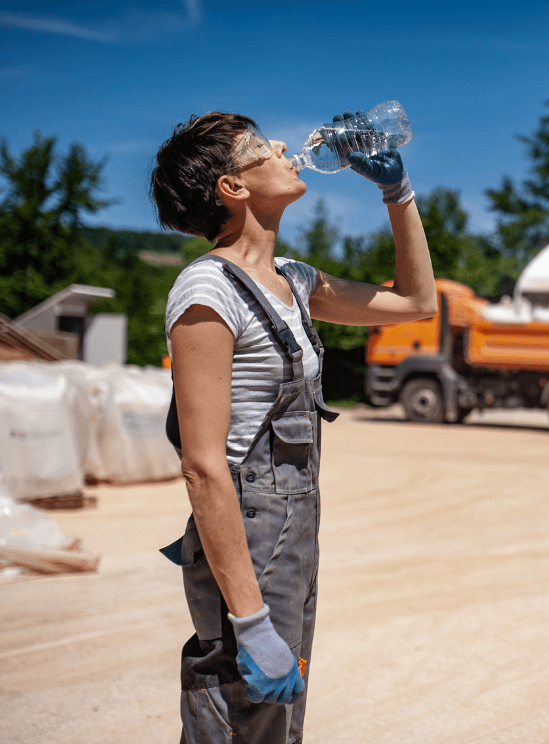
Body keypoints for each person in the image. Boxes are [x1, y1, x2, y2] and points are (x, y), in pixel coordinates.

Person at [150, 110, 436, 744]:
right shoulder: (207, 289)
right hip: (247, 530)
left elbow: (417, 302)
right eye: (261, 146)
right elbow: (203, 465)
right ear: (233, 188)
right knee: (237, 719)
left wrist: (398, 193)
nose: (285, 145)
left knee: (276, 728)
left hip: (295, 526)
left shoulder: (294, 282)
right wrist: (249, 623)